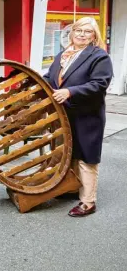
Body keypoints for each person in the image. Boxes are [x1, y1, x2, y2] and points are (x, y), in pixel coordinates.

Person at [43, 17, 113, 217]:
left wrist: (70, 91)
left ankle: (88, 202)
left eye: (87, 31)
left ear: (94, 36)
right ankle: (73, 187)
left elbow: (99, 84)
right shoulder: (63, 54)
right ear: (72, 33)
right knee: (69, 152)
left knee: (86, 157)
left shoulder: (99, 56)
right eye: (78, 30)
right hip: (64, 113)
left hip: (87, 115)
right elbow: (51, 77)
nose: (82, 34)